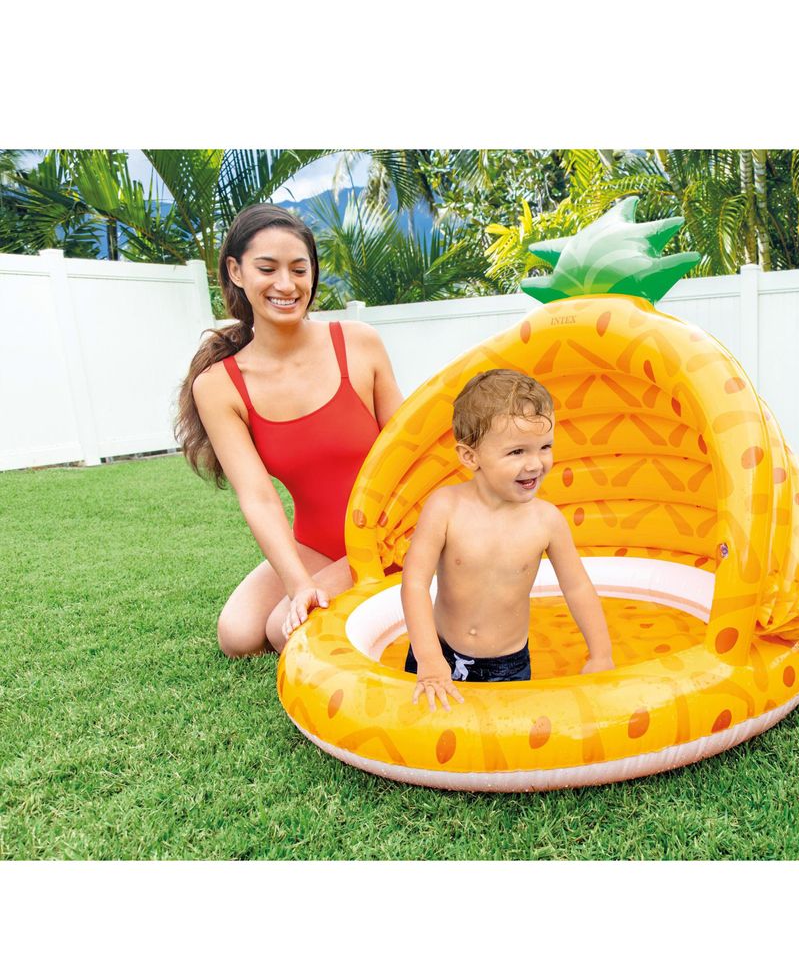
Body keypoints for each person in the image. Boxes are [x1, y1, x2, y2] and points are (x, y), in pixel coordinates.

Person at [175, 203, 403, 657]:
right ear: (236, 271)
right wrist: (298, 582)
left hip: (387, 535)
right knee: (238, 636)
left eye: (299, 269)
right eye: (267, 269)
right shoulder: (218, 385)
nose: (286, 284)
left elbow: (406, 451)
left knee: (284, 631)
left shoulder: (358, 343)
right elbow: (258, 496)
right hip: (315, 542)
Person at [400, 369, 614, 711]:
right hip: (438, 650)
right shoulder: (445, 508)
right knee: (423, 730)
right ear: (470, 456)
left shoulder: (546, 521)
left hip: (506, 666)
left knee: (504, 739)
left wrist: (601, 654)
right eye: (517, 452)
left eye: (545, 447)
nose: (535, 464)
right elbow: (414, 582)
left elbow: (577, 588)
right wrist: (429, 658)